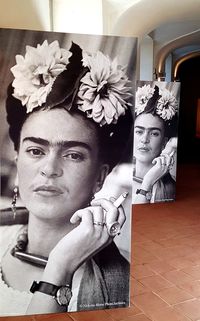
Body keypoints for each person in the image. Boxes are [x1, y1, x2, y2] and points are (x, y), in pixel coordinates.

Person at [0, 40, 133, 315]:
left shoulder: (122, 284)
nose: (49, 168)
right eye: (36, 150)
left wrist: (60, 269)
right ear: (17, 159)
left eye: (73, 155)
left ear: (100, 175)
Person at [132, 84, 179, 204]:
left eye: (154, 134)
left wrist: (147, 183)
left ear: (164, 142)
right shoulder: (118, 179)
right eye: (139, 131)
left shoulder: (169, 189)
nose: (144, 139)